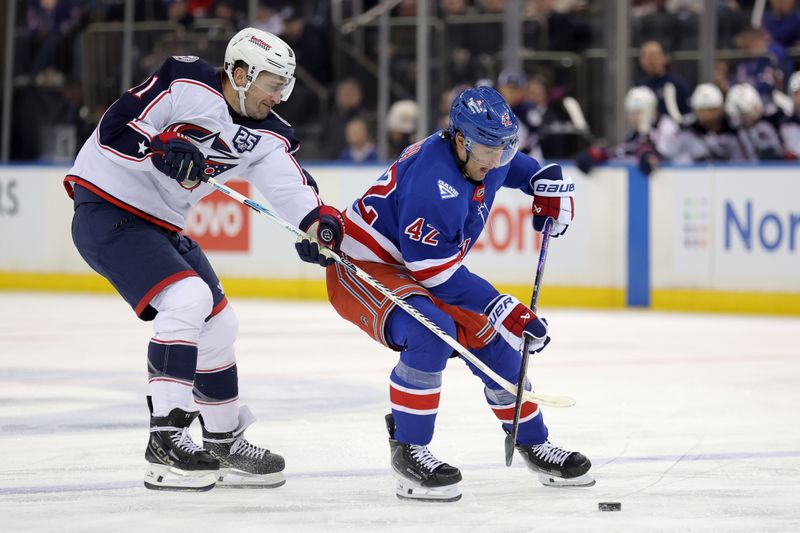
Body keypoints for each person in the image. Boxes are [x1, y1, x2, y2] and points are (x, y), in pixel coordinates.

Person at [63, 28, 345, 491]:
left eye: (285, 85)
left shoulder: (270, 135)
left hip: (162, 225)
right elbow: (115, 128)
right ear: (239, 73)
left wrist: (319, 224)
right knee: (188, 299)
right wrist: (157, 148)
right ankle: (166, 438)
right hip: (106, 206)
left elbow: (293, 191)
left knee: (219, 323)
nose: (280, 95)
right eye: (273, 83)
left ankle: (220, 440)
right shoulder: (185, 80)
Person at [324, 86, 591, 502]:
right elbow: (433, 272)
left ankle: (533, 441)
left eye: (505, 147)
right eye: (489, 149)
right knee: (431, 329)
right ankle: (409, 449)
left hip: (420, 266)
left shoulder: (484, 154)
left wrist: (545, 180)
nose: (497, 158)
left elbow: (519, 168)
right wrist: (501, 305)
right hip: (363, 268)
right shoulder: (434, 184)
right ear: (461, 140)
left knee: (492, 337)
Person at [659, 83, 747, 163]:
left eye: (711, 109)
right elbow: (669, 158)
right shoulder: (685, 131)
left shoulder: (734, 130)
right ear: (695, 110)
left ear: (720, 109)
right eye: (702, 109)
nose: (707, 114)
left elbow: (747, 161)